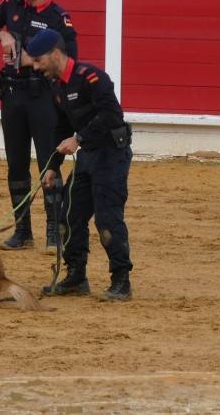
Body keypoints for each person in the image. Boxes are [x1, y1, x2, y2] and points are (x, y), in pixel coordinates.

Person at [0, 0, 78, 251]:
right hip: (12, 95)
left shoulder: (59, 17)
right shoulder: (12, 5)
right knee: (16, 163)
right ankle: (23, 232)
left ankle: (54, 231)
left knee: (49, 162)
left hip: (43, 97)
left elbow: (70, 58)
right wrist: (1, 34)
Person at [27, 29, 133, 302]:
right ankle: (76, 276)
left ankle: (121, 280)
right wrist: (53, 165)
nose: (35, 67)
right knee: (69, 214)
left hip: (112, 154)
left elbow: (112, 115)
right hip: (88, 156)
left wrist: (79, 138)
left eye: (38, 61)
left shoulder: (92, 77)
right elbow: (61, 126)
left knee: (108, 219)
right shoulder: (57, 85)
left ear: (55, 55)